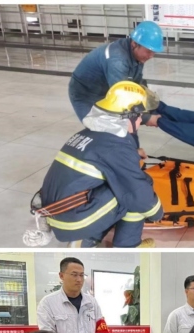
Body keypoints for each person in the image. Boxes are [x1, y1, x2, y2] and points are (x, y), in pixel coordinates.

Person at [37, 81, 163, 248]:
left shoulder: (91, 133)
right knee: (136, 192)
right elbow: (137, 193)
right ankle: (127, 246)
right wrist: (156, 213)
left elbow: (102, 158)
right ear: (129, 116)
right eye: (139, 115)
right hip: (73, 220)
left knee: (124, 186)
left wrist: (131, 154)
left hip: (57, 212)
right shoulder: (116, 146)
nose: (141, 120)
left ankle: (87, 238)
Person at [69, 21, 164, 123]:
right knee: (100, 128)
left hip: (106, 90)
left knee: (125, 126)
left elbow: (136, 84)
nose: (151, 56)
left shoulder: (137, 54)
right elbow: (122, 97)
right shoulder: (118, 61)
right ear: (134, 44)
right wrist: (146, 118)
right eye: (148, 51)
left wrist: (150, 107)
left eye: (154, 52)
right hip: (86, 94)